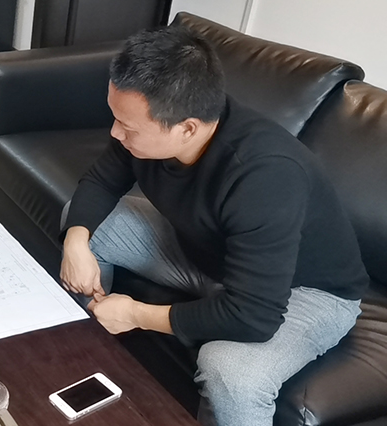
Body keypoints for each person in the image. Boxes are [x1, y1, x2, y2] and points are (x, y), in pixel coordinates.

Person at [60, 27, 367, 426]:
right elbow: (101, 182)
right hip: (209, 253)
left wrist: (135, 313)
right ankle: (83, 359)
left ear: (187, 128)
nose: (115, 133)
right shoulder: (155, 129)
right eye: (116, 118)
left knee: (229, 371)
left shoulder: (264, 175)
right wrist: (76, 241)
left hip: (304, 292)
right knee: (84, 223)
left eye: (128, 128)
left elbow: (253, 315)